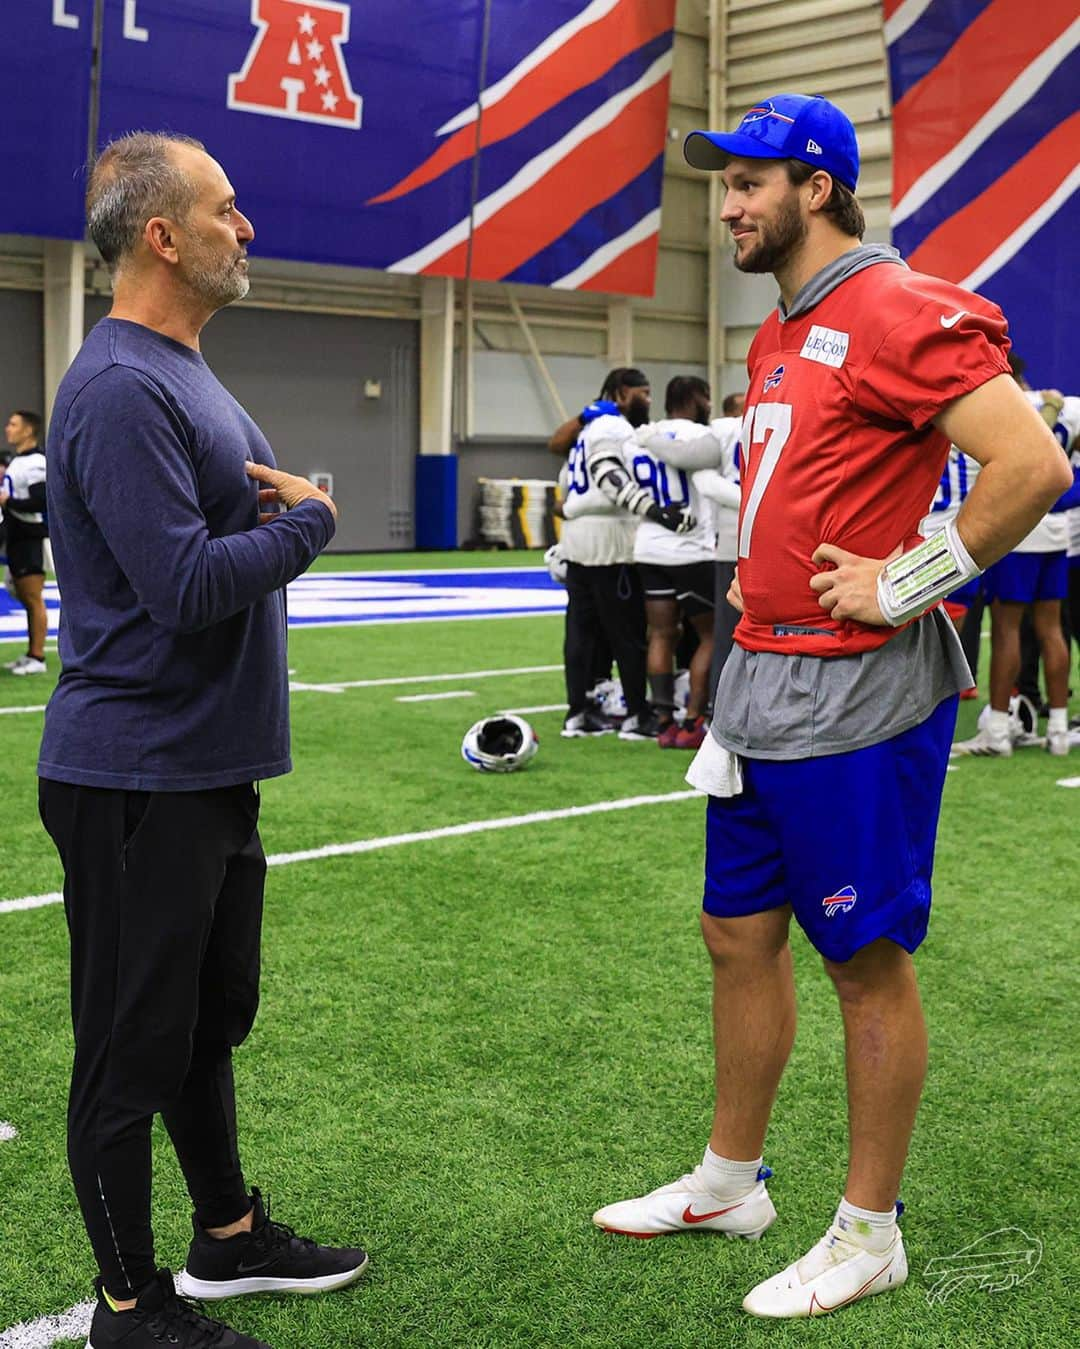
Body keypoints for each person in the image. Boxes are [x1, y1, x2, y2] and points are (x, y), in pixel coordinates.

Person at [590, 92, 1072, 1319]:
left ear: (816, 185)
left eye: (749, 181)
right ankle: (729, 1178)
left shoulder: (900, 305)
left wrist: (901, 580)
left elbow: (1031, 467)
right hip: (761, 679)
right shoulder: (780, 329)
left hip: (860, 688)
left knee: (863, 957)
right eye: (724, 182)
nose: (730, 204)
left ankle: (870, 1229)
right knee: (735, 932)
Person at [38, 132, 368, 1349]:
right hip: (134, 775)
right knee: (128, 1049)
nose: (249, 227)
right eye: (226, 210)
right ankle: (128, 1311)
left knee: (199, 1019)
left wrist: (284, 514)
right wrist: (314, 521)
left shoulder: (177, 369)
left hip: (198, 768)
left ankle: (226, 1234)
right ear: (162, 235)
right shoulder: (124, 383)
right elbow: (181, 584)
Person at [559, 368, 691, 740]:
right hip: (609, 541)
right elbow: (607, 475)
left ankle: (579, 712)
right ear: (620, 394)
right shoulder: (612, 427)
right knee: (628, 632)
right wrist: (652, 510)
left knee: (581, 632)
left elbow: (564, 485)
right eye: (644, 394)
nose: (649, 401)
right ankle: (637, 713)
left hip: (578, 539)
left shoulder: (585, 432)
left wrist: (571, 514)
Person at [953, 382, 1080, 757]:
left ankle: (997, 728)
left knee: (1007, 630)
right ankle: (1057, 729)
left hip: (1019, 530)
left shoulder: (1004, 401)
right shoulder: (1067, 406)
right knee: (1052, 629)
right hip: (1057, 534)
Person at [623, 376, 720, 750]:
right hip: (691, 547)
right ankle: (693, 719)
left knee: (661, 634)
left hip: (649, 546)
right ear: (694, 397)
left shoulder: (639, 438)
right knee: (711, 634)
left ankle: (663, 719)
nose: (708, 404)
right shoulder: (698, 436)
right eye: (705, 396)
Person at [1, 410, 49, 675]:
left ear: (28, 430)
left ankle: (38, 657)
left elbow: (41, 501)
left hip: (30, 535)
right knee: (19, 591)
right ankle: (32, 652)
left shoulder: (35, 463)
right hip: (17, 536)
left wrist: (8, 502)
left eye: (13, 424)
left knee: (33, 598)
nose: (8, 428)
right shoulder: (19, 461)